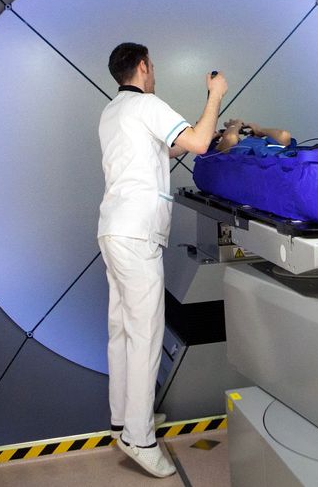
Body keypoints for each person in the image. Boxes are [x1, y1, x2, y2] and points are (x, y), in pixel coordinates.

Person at [97, 42, 227, 478]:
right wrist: (215, 96)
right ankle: (139, 438)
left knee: (121, 329)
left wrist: (192, 139)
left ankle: (123, 421)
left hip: (112, 229)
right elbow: (200, 142)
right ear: (142, 67)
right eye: (153, 66)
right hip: (136, 235)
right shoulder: (147, 103)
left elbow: (165, 149)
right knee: (145, 334)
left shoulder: (113, 112)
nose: (155, 73)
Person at [210, 118, 294, 155]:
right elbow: (231, 137)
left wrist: (260, 131)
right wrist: (234, 125)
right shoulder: (217, 150)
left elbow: (284, 135)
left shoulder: (248, 142)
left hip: (278, 158)